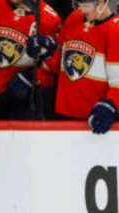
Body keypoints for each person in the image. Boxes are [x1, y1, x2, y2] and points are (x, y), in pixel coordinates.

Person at [43, 0, 119, 133]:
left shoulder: (115, 30)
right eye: (79, 5)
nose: (82, 10)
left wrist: (111, 105)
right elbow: (58, 65)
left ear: (101, 3)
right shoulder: (74, 18)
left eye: (86, 6)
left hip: (91, 120)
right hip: (61, 114)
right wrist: (45, 51)